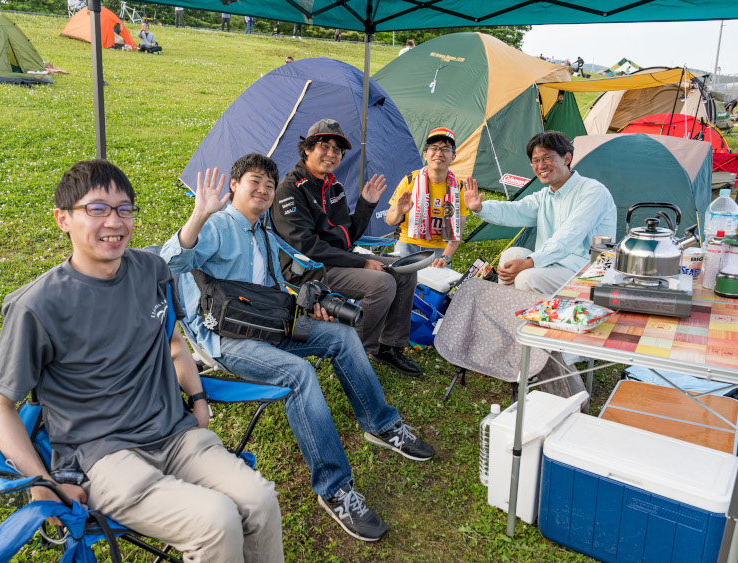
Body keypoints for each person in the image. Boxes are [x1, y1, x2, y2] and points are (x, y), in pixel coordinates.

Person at [0, 160, 283, 562]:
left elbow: (174, 342)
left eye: (124, 209)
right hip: (102, 456)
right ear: (63, 219)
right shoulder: (37, 307)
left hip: (176, 435)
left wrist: (197, 399)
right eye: (97, 209)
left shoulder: (151, 270)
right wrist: (41, 481)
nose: (115, 221)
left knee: (261, 500)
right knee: (216, 519)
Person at [162, 153, 434, 542]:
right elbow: (171, 262)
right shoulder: (217, 226)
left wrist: (312, 303)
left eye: (269, 186)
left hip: (269, 324)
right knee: (299, 373)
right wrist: (198, 216)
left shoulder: (266, 235)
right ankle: (335, 489)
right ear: (234, 185)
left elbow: (279, 288)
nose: (263, 190)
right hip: (228, 339)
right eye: (254, 181)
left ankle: (382, 424)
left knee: (341, 336)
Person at [270, 119, 423, 377]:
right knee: (382, 283)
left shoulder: (334, 187)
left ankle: (388, 346)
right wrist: (361, 263)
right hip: (308, 268)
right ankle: (355, 354)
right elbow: (307, 247)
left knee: (404, 270)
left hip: (338, 260)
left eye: (338, 150)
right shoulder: (290, 190)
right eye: (324, 146)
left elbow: (347, 238)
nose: (331, 154)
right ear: (307, 148)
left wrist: (366, 204)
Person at [463, 131, 616, 294]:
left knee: (526, 278)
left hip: (586, 270)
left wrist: (530, 262)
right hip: (552, 264)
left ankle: (534, 318)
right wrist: (480, 208)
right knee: (510, 255)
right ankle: (507, 313)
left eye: (547, 158)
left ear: (567, 158)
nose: (541, 166)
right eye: (535, 161)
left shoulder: (592, 191)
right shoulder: (545, 196)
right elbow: (515, 211)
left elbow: (567, 237)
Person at [385, 127, 470, 267]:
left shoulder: (459, 188)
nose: (439, 153)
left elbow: (456, 235)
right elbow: (389, 221)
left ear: (453, 157)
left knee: (437, 286)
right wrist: (399, 212)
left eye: (445, 149)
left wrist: (445, 258)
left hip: (439, 249)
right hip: (408, 242)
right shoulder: (410, 180)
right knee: (400, 281)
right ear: (425, 154)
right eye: (434, 148)